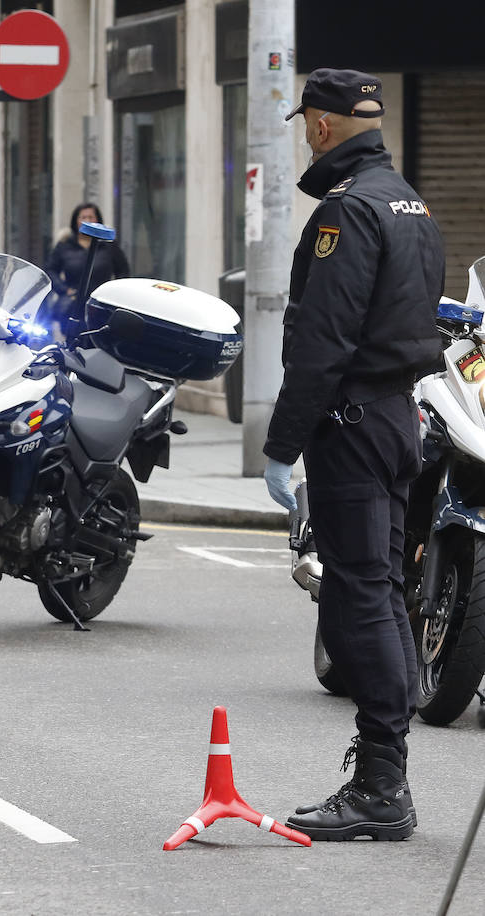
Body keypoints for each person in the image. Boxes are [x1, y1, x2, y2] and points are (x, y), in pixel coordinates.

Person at [263, 68, 444, 841]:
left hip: (355, 421)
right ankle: (383, 772)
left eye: (309, 120)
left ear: (327, 125)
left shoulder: (348, 211)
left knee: (358, 596)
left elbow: (321, 341)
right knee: (383, 590)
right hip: (397, 416)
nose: (306, 132)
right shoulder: (411, 202)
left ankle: (380, 789)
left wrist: (282, 444)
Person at [44, 202, 130, 312]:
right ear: (76, 221)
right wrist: (64, 290)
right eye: (83, 217)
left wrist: (113, 294)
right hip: (72, 304)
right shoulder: (65, 245)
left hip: (101, 304)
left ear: (98, 220)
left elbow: (123, 271)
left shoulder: (109, 245)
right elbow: (51, 270)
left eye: (91, 217)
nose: (87, 221)